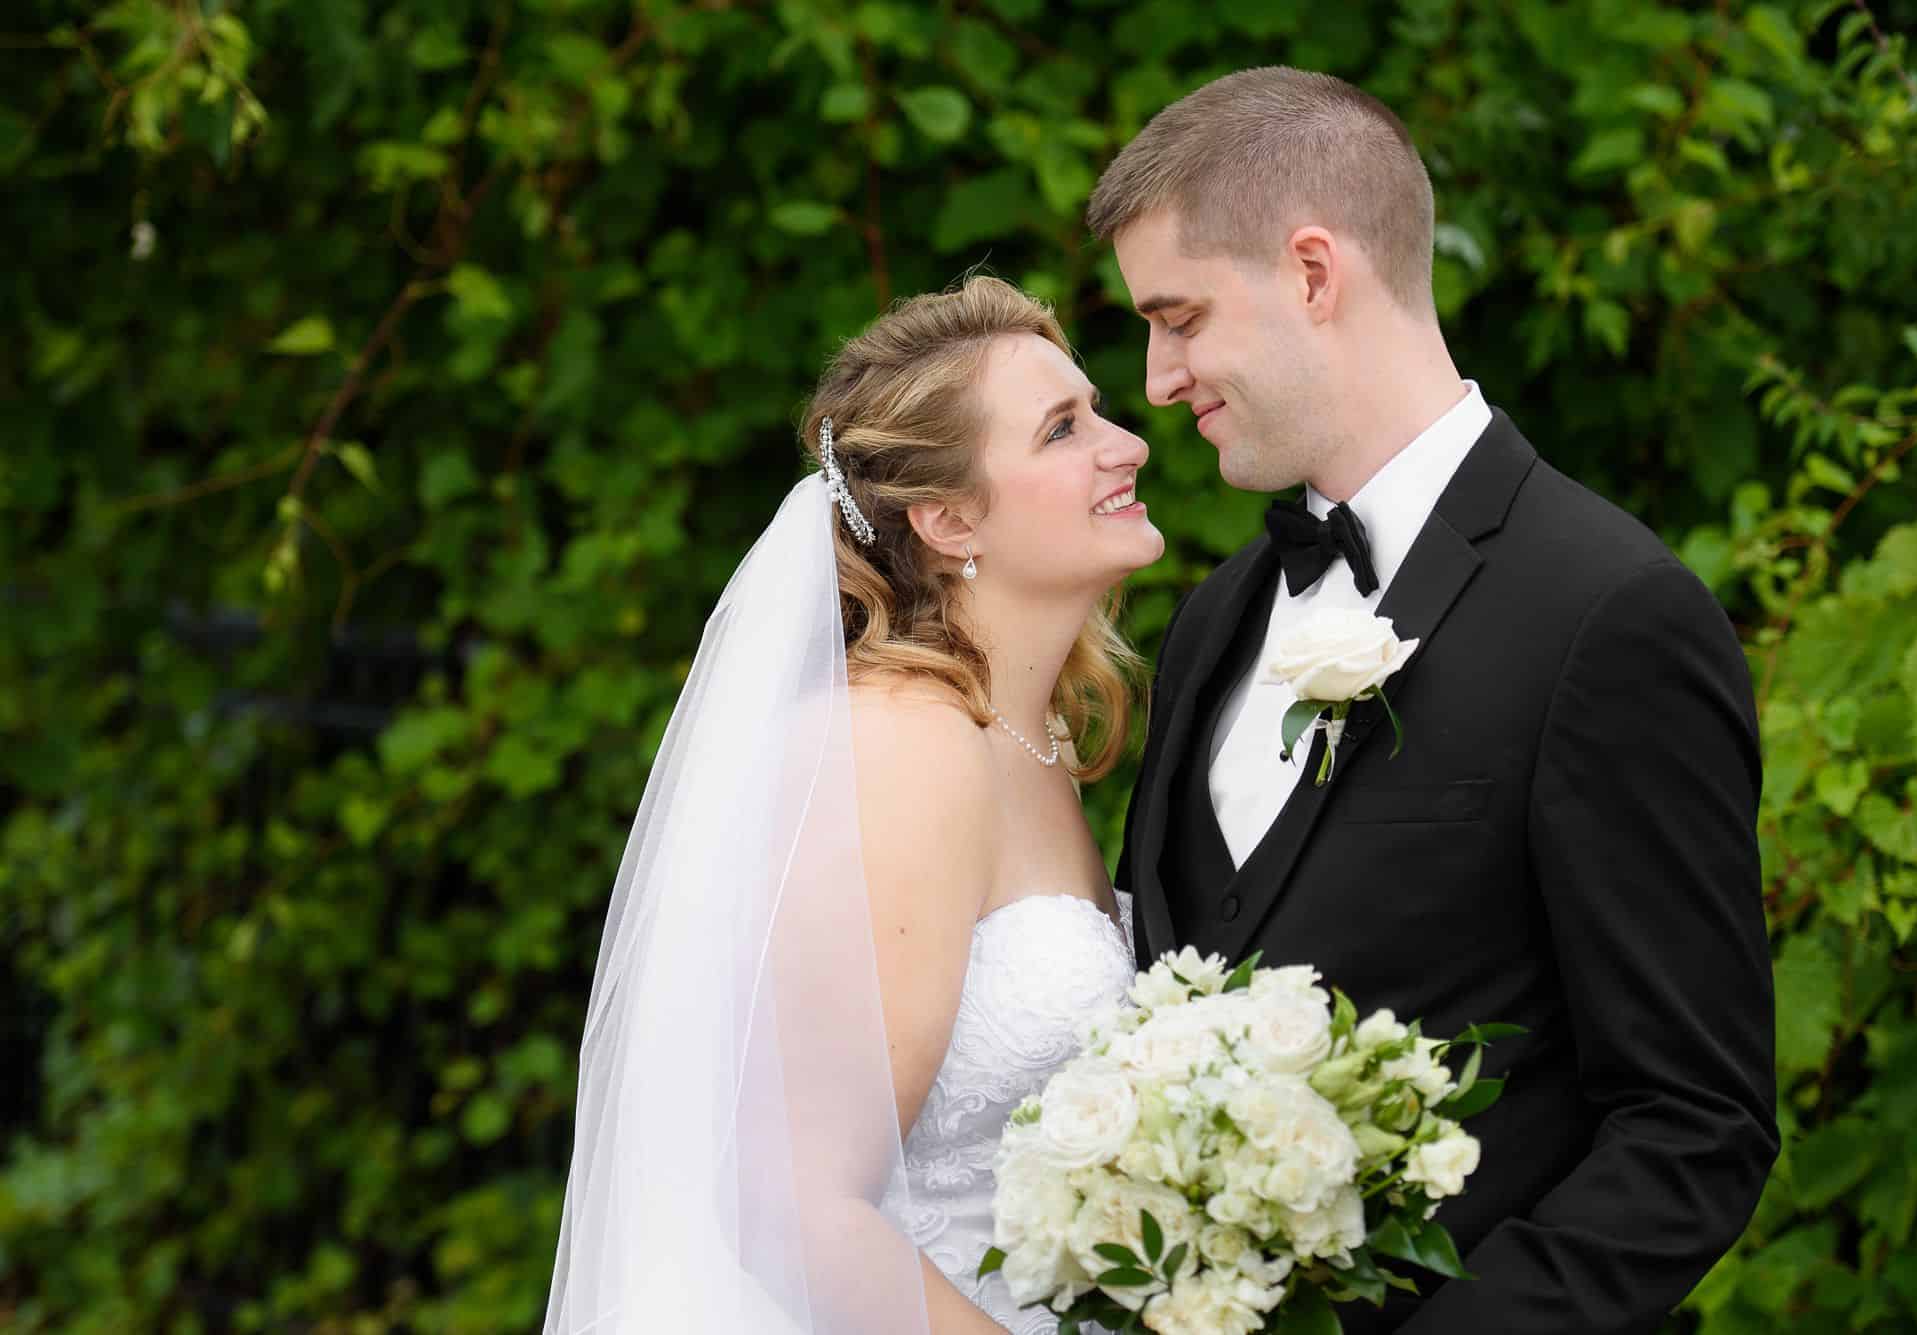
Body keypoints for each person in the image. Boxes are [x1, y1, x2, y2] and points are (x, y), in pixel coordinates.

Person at [1092, 67, 1778, 1334]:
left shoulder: (1611, 616)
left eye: (1177, 317)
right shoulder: (1210, 622)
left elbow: (1693, 1126)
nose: (1154, 379)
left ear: (1310, 272)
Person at [543, 276, 1163, 1334]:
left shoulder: (1026, 732)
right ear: (947, 517)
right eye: (1063, 430)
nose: (1127, 444)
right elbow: (789, 1205)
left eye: (1095, 410)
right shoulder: (901, 744)